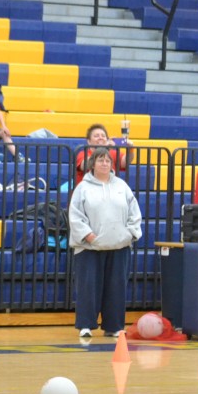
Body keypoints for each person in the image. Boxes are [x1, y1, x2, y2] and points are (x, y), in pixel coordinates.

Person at [69, 147, 142, 343]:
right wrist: (88, 235)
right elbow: (75, 215)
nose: (104, 163)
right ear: (92, 164)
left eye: (107, 160)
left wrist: (130, 234)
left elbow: (134, 213)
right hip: (89, 248)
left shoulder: (122, 186)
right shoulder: (82, 188)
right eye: (100, 160)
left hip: (119, 246)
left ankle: (114, 326)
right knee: (88, 287)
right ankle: (86, 325)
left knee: (116, 287)